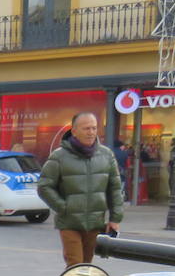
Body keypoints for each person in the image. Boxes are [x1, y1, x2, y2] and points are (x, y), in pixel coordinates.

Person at [37, 112, 123, 267]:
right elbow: (44, 186)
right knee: (75, 264)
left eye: (94, 128)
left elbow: (115, 188)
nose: (91, 132)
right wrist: (64, 207)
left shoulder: (106, 155)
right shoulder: (59, 157)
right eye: (86, 128)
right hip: (70, 222)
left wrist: (115, 218)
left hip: (95, 222)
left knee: (87, 265)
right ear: (74, 131)